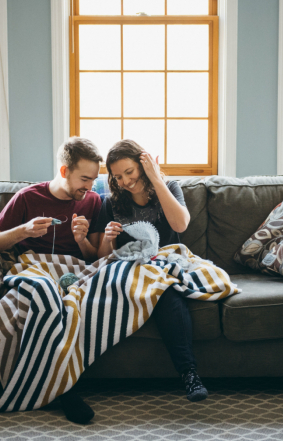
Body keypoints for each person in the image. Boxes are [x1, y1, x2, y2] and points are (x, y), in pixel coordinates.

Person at [0, 136, 102, 424]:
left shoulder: (94, 201)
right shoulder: (27, 198)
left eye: (94, 180)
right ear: (64, 171)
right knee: (44, 294)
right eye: (84, 179)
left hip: (74, 271)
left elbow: (95, 256)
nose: (90, 187)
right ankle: (65, 389)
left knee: (78, 304)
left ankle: (56, 383)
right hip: (33, 268)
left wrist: (82, 239)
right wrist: (23, 231)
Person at [93, 139, 209, 402]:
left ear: (143, 165)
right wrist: (108, 239)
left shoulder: (169, 188)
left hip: (164, 268)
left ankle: (189, 375)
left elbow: (180, 225)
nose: (124, 181)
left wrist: (156, 179)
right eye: (117, 176)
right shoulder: (110, 203)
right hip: (130, 269)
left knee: (168, 293)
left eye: (130, 172)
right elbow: (101, 257)